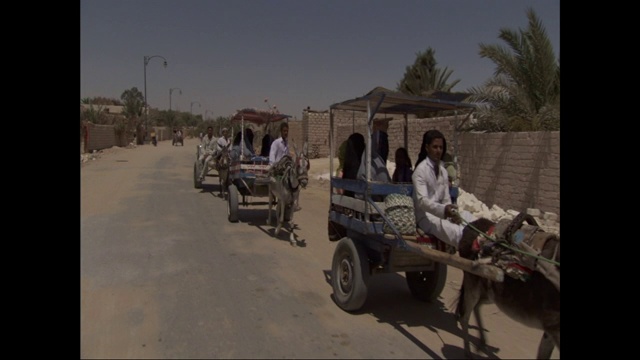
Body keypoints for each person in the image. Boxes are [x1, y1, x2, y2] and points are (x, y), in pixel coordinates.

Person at [412, 129, 473, 249]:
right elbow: (423, 202)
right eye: (435, 147)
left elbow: (446, 199)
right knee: (455, 232)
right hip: (427, 217)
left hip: (443, 214)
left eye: (440, 147)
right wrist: (444, 210)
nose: (438, 151)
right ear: (427, 147)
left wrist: (452, 213)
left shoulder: (443, 171)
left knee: (469, 217)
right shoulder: (420, 171)